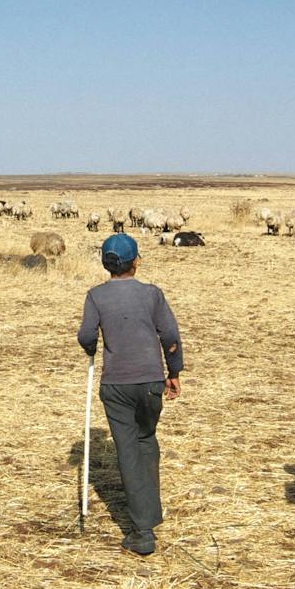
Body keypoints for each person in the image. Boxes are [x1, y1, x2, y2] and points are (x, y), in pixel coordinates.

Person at [77, 233, 184, 556]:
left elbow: (85, 334)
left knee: (128, 450)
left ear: (106, 263)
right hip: (151, 383)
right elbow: (170, 334)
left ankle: (142, 531)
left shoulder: (95, 296)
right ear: (135, 261)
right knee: (146, 439)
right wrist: (174, 372)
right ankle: (150, 512)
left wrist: (91, 346)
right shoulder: (152, 294)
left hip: (117, 386)